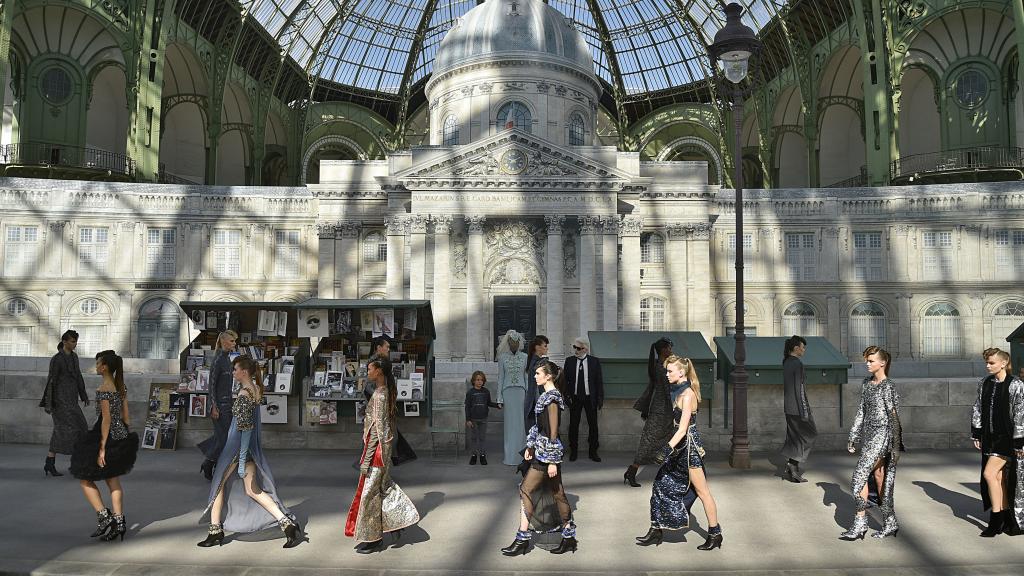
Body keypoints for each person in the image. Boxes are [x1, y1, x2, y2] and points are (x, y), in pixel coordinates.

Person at [197, 355, 303, 548]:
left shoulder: (244, 394)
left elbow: (245, 428)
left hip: (236, 450)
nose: (233, 372)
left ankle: (215, 532)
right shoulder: (254, 389)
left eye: (236, 369)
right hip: (246, 448)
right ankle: (288, 525)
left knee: (218, 486)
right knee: (253, 490)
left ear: (244, 372)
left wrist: (242, 457)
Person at [636, 355, 722, 550]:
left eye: (670, 371)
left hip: (689, 449)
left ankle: (715, 534)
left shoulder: (688, 394)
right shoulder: (677, 391)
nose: (667, 374)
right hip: (678, 447)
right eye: (667, 371)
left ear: (681, 372)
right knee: (659, 485)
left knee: (702, 492)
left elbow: (683, 429)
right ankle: (656, 529)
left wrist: (665, 450)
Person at [501, 360, 577, 556]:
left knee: (526, 489)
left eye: (537, 374)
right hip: (541, 450)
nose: (535, 377)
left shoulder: (552, 399)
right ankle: (569, 537)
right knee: (557, 493)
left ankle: (522, 539)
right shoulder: (546, 396)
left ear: (548, 376)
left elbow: (553, 431)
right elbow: (539, 427)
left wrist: (552, 460)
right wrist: (530, 445)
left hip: (547, 455)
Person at [346, 359, 420, 553]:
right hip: (382, 448)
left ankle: (374, 538)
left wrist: (367, 458)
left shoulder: (379, 395)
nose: (367, 371)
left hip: (377, 450)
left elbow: (378, 430)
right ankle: (395, 522)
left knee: (370, 494)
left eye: (370, 368)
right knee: (381, 487)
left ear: (378, 371)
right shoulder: (385, 391)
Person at [70, 350, 139, 541]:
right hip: (121, 435)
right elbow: (126, 417)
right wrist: (123, 434)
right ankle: (119, 523)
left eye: (99, 363)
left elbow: (106, 420)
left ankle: (105, 517)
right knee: (113, 481)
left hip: (106, 436)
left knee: (84, 478)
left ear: (105, 366)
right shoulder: (120, 386)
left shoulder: (104, 390)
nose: (97, 366)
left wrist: (101, 448)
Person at [840, 346, 902, 540]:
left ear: (882, 363)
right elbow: (861, 411)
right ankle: (890, 521)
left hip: (883, 437)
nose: (867, 364)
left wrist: (896, 446)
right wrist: (853, 435)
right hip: (869, 436)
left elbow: (893, 417)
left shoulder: (888, 386)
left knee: (857, 479)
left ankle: (860, 522)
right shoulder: (866, 383)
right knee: (879, 478)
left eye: (871, 361)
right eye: (866, 360)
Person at [970, 347, 1024, 537]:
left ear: (1004, 363)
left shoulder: (1015, 384)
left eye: (991, 362)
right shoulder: (984, 382)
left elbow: (1020, 413)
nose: (988, 366)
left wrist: (1019, 440)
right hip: (990, 437)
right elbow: (977, 407)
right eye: (987, 362)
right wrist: (977, 432)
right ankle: (1006, 518)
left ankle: (996, 519)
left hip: (1008, 439)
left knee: (989, 474)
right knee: (999, 478)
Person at [624, 337, 675, 487]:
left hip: (661, 409)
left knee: (667, 441)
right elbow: (667, 390)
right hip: (661, 410)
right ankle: (632, 471)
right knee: (648, 442)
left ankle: (668, 474)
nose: (671, 350)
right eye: (669, 348)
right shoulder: (662, 367)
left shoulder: (659, 365)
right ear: (663, 350)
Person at [39, 330, 90, 476]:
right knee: (65, 430)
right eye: (72, 341)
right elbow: (51, 381)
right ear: (64, 341)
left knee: (80, 427)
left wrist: (83, 394)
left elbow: (78, 376)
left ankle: (50, 462)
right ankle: (73, 465)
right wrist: (49, 403)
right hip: (60, 401)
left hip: (72, 399)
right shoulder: (57, 359)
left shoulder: (74, 357)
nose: (74, 344)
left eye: (76, 341)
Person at [365, 335, 417, 465]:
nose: (388, 349)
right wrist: (381, 398)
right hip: (381, 407)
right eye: (386, 347)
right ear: (379, 348)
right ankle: (376, 464)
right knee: (384, 437)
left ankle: (382, 462)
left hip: (386, 406)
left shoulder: (382, 362)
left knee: (389, 436)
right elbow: (368, 387)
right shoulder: (375, 363)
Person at [197, 330, 238, 481]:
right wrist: (214, 406)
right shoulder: (218, 359)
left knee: (223, 436)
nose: (234, 343)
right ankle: (210, 463)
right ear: (224, 341)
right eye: (232, 341)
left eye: (235, 341)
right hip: (220, 406)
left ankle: (210, 463)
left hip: (228, 404)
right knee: (224, 438)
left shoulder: (228, 359)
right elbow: (211, 384)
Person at [780, 335, 817, 483]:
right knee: (811, 434)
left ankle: (792, 466)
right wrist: (804, 411)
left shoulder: (786, 362)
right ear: (796, 348)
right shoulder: (797, 363)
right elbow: (799, 388)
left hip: (789, 407)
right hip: (798, 408)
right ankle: (792, 463)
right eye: (803, 347)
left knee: (794, 437)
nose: (804, 350)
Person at [563, 337, 604, 462]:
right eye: (574, 347)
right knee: (573, 425)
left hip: (589, 398)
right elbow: (565, 381)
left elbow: (598, 382)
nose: (576, 350)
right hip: (575, 398)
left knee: (593, 426)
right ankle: (573, 451)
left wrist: (600, 399)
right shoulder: (569, 361)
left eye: (579, 348)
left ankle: (593, 452)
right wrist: (566, 396)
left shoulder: (594, 361)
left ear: (585, 348)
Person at [496, 330, 528, 466]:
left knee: (521, 424)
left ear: (519, 343)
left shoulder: (525, 357)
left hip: (521, 391)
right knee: (509, 425)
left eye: (516, 342)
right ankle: (509, 456)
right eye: (511, 342)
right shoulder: (502, 357)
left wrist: (528, 395)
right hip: (508, 392)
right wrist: (499, 398)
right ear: (508, 343)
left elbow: (526, 377)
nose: (513, 344)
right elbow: (500, 378)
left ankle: (522, 455)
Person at [465, 370, 501, 465]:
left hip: (483, 418)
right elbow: (467, 406)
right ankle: (473, 455)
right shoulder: (470, 392)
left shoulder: (486, 392)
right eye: (477, 380)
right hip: (473, 419)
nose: (479, 382)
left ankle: (482, 455)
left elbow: (489, 403)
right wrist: (468, 419)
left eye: (481, 380)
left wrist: (497, 405)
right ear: (473, 381)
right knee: (473, 438)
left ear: (484, 381)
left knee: (482, 438)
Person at [523, 335, 550, 432]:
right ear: (538, 347)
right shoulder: (539, 363)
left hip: (533, 400)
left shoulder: (535, 361)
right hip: (536, 400)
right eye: (545, 346)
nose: (547, 348)